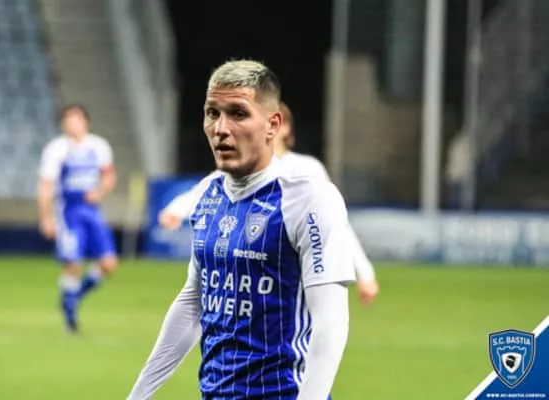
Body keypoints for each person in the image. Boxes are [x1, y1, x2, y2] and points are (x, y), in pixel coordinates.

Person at [127, 60, 355, 400]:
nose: (221, 128)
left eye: (238, 113)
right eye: (212, 113)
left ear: (273, 125)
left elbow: (331, 324)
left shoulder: (308, 199)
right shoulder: (208, 194)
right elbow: (193, 301)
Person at [158, 101, 380, 306]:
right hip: (254, 267)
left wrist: (365, 274)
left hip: (298, 264)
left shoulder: (307, 168)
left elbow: (336, 224)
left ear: (284, 128)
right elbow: (207, 188)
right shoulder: (245, 165)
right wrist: (176, 210)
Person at [37, 104, 118, 334]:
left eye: (77, 119)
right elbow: (46, 185)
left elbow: (109, 175)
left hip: (92, 211)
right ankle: (70, 322)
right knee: (73, 263)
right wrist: (46, 218)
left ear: (86, 122)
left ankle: (72, 297)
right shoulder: (57, 149)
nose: (73, 124)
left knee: (109, 264)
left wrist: (100, 192)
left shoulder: (99, 146)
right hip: (68, 212)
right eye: (68, 120)